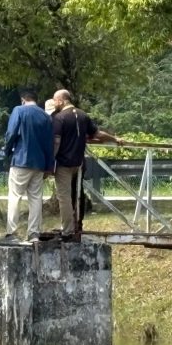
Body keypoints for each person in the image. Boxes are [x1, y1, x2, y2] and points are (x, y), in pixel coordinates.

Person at [51, 89, 124, 239]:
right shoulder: (83, 115)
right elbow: (98, 134)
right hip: (78, 163)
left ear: (61, 100)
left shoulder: (59, 118)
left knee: (64, 197)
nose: (54, 103)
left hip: (63, 164)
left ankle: (67, 230)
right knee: (78, 193)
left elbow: (56, 142)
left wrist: (50, 162)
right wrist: (115, 139)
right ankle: (78, 224)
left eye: (55, 100)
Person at [2, 89, 54, 243]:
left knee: (15, 196)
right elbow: (49, 143)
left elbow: (11, 133)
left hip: (20, 159)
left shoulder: (19, 110)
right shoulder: (46, 116)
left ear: (23, 99)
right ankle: (34, 233)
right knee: (36, 198)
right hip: (39, 163)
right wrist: (49, 165)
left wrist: (7, 151)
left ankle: (11, 232)